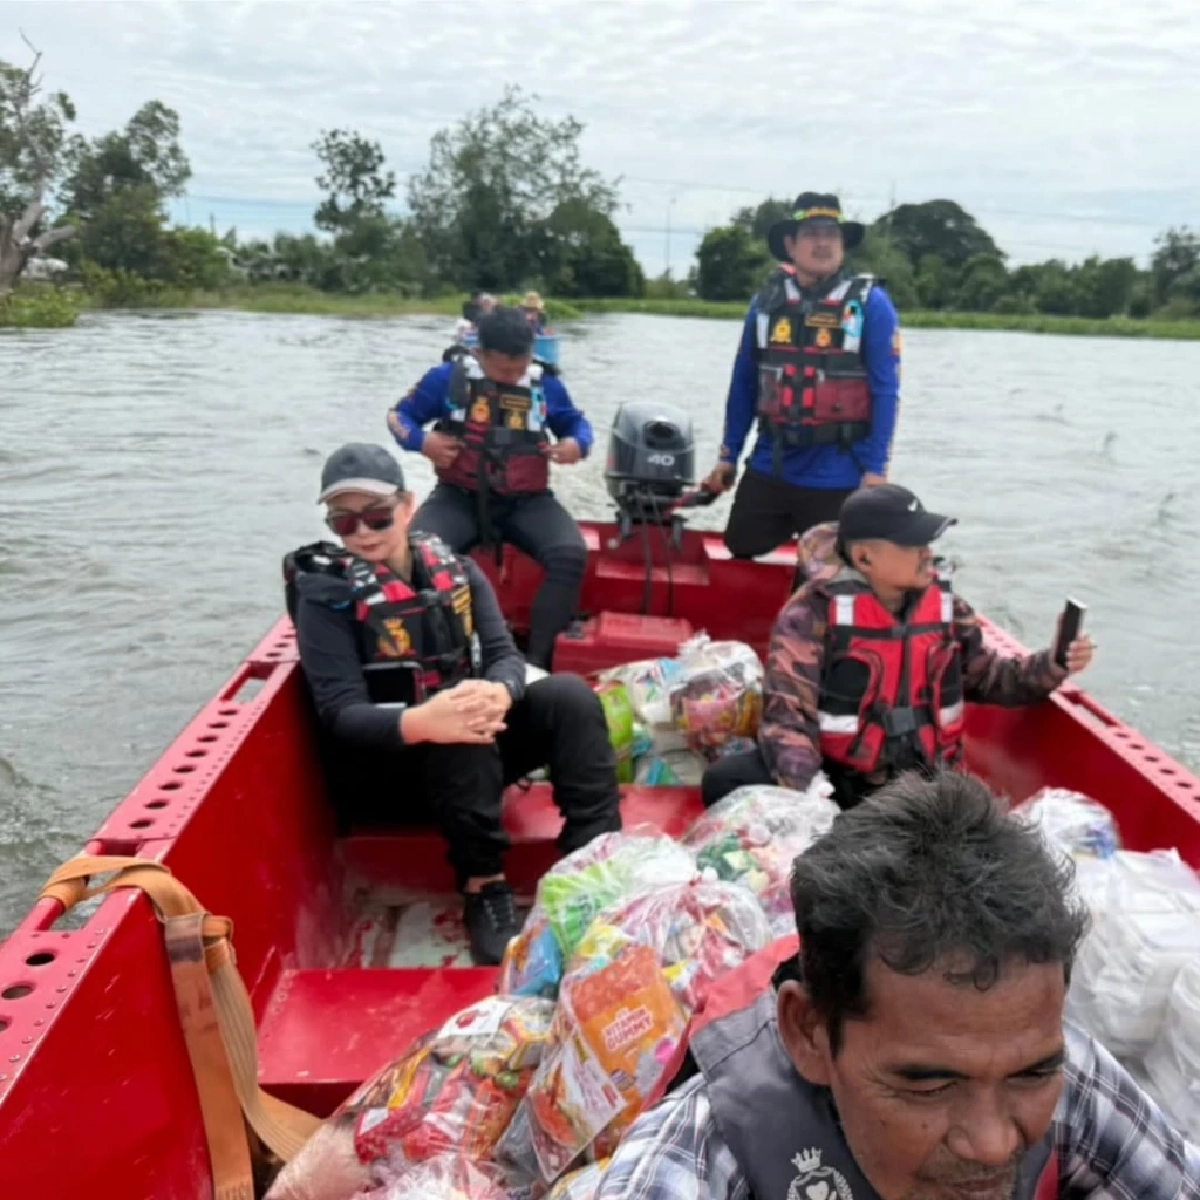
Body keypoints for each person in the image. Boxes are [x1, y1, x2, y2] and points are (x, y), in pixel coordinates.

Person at [595, 771, 1199, 1200]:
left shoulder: (1061, 1072)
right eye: (930, 1085)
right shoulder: (695, 1163)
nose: (992, 1144)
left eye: (1031, 1074)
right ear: (809, 1033)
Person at [288, 442, 621, 965]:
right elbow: (340, 713)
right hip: (391, 770)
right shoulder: (325, 599)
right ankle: (483, 885)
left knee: (569, 697)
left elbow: (504, 655)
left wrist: (500, 691)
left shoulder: (459, 571)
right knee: (460, 725)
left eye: (377, 516)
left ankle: (595, 859)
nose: (364, 532)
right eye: (345, 523)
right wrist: (425, 720)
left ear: (408, 507)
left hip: (471, 760)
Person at [702, 484, 1096, 809]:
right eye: (913, 544)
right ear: (864, 558)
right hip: (841, 786)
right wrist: (809, 801)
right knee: (727, 780)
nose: (928, 553)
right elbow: (788, 719)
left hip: (928, 786)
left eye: (927, 542)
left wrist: (1056, 662)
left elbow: (992, 678)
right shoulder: (810, 614)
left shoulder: (946, 607)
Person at [387, 305, 592, 670]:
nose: (512, 376)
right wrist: (423, 442)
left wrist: (577, 445)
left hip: (528, 501)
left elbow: (576, 424)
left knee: (570, 553)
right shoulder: (447, 379)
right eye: (502, 369)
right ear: (479, 353)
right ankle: (440, 661)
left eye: (519, 367)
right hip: (459, 497)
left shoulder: (544, 384)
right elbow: (398, 417)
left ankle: (536, 663)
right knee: (416, 556)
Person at [700, 192, 902, 559]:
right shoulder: (765, 304)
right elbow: (744, 383)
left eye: (832, 234)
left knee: (826, 572)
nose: (823, 243)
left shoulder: (870, 305)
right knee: (741, 545)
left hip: (840, 470)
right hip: (773, 461)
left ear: (842, 245)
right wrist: (729, 455)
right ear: (791, 245)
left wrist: (876, 470)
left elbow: (886, 391)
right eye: (811, 234)